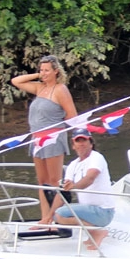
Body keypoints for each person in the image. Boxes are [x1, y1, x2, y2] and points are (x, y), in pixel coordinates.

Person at [11, 55, 78, 225]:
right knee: (42, 181)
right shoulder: (40, 88)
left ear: (56, 71)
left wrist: (61, 132)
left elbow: (72, 115)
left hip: (53, 139)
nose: (43, 73)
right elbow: (16, 81)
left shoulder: (60, 89)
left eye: (47, 70)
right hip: (37, 139)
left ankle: (54, 218)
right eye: (41, 70)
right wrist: (37, 75)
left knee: (55, 181)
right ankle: (44, 218)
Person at [52, 131, 116, 250]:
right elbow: (63, 192)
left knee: (60, 214)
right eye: (78, 141)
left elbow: (90, 178)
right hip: (89, 211)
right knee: (57, 215)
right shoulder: (73, 165)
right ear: (73, 145)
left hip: (103, 211)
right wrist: (48, 218)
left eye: (84, 141)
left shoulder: (96, 157)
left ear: (91, 143)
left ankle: (97, 232)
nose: (81, 144)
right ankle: (94, 232)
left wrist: (74, 186)